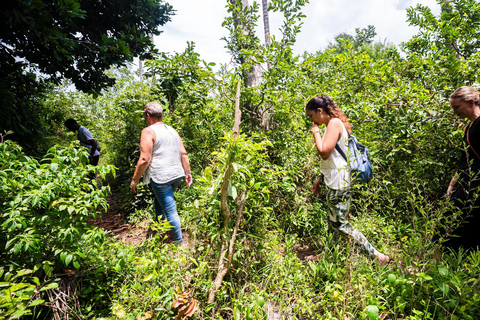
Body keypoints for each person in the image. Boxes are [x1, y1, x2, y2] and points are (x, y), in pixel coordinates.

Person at [306, 94, 390, 263]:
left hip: (339, 182)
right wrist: (319, 179)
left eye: (311, 116)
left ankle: (376, 255)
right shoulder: (332, 124)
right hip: (332, 178)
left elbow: (324, 153)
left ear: (319, 111)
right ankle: (329, 255)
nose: (311, 120)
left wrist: (316, 133)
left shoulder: (334, 124)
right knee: (332, 222)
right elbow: (333, 158)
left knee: (340, 224)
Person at [130, 102, 193, 245]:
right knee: (159, 203)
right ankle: (157, 232)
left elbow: (145, 159)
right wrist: (187, 172)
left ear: (147, 116)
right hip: (176, 175)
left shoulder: (148, 131)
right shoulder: (171, 130)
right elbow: (183, 153)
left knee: (170, 210)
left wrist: (135, 180)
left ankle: (179, 245)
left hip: (161, 177)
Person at [443, 86, 480, 250]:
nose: (454, 112)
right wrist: (453, 183)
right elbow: (466, 159)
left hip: (476, 186)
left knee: (449, 225)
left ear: (471, 102)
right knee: (449, 223)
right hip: (466, 185)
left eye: (457, 107)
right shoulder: (469, 127)